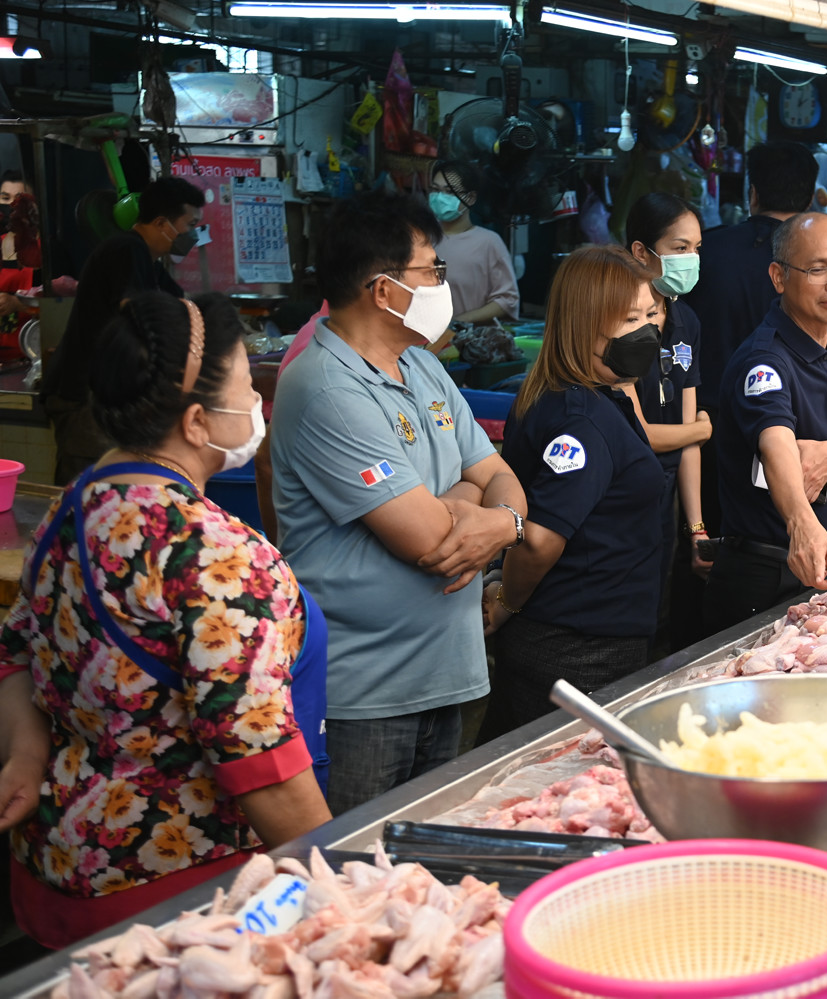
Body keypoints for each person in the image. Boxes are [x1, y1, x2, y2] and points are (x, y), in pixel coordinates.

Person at [0, 291, 331, 948]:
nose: (258, 403)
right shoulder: (216, 553)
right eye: (247, 385)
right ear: (199, 422)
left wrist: (27, 750)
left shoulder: (79, 498)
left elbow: (15, 650)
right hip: (177, 895)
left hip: (56, 863)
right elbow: (255, 752)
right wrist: (336, 879)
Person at [270, 191, 527, 815]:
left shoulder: (421, 364)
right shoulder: (327, 385)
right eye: (432, 271)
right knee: (361, 873)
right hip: (367, 692)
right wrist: (484, 511)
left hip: (445, 672)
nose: (444, 283)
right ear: (384, 290)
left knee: (422, 873)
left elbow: (505, 478)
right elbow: (427, 540)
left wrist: (499, 519)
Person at [481, 245, 667, 736]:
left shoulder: (592, 396)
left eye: (651, 313)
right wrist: (507, 602)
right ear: (585, 323)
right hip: (577, 648)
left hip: (592, 637)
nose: (647, 329)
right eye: (629, 318)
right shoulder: (580, 421)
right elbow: (539, 538)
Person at [705, 214, 827, 632]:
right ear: (778, 276)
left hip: (822, 565)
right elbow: (777, 444)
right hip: (766, 572)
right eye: (818, 269)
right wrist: (802, 524)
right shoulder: (764, 362)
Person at [43, 176, 205, 484]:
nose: (194, 233)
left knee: (108, 494)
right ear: (162, 222)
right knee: (87, 494)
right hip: (83, 397)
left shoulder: (150, 263)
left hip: (105, 395)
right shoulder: (126, 249)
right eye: (191, 223)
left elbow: (183, 308)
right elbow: (138, 313)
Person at [623, 193, 714, 637]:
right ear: (642, 252)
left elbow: (693, 436)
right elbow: (635, 433)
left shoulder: (687, 321)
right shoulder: (615, 319)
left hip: (664, 502)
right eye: (680, 248)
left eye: (696, 248)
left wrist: (695, 528)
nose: (691, 259)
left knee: (655, 619)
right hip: (619, 495)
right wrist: (693, 428)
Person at [681, 141, 819, 411]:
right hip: (796, 418)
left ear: (753, 194)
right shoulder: (823, 261)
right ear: (810, 199)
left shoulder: (705, 251)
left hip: (710, 416)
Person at [430, 160, 520, 324]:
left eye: (450, 192)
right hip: (419, 343)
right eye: (435, 190)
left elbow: (507, 299)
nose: (440, 197)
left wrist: (458, 323)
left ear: (470, 198)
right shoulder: (420, 239)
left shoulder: (488, 243)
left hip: (469, 342)